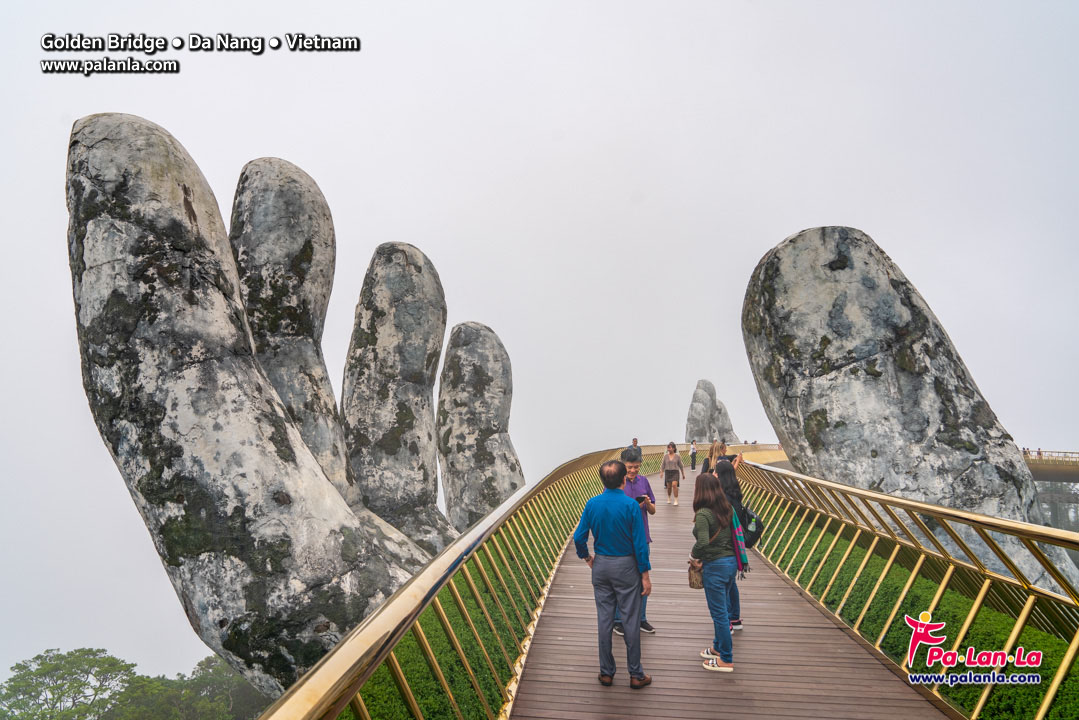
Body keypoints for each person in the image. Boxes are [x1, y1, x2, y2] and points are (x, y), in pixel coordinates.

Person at [574, 459, 653, 689]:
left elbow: (579, 537)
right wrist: (645, 575)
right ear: (622, 480)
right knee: (630, 619)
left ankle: (606, 672)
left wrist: (587, 558)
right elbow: (640, 544)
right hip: (626, 567)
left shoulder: (592, 504)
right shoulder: (630, 506)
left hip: (601, 566)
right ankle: (636, 674)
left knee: (604, 619)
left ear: (603, 481)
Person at [689, 470, 748, 672]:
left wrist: (692, 556)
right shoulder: (726, 507)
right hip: (731, 563)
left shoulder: (704, 514)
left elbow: (703, 543)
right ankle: (718, 647)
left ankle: (726, 659)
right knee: (722, 608)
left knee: (719, 614)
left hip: (715, 566)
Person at [614, 447, 656, 635]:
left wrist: (646, 504)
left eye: (636, 467)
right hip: (622, 539)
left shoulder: (644, 481)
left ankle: (641, 618)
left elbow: (653, 510)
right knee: (620, 581)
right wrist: (632, 507)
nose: (633, 471)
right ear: (622, 465)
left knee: (643, 578)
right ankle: (618, 620)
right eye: (630, 467)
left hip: (642, 537)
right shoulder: (614, 484)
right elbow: (612, 512)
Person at [714, 460, 746, 632]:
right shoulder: (735, 494)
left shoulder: (723, 498)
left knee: (723, 585)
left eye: (716, 472)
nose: (713, 474)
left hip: (724, 546)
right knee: (731, 583)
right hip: (735, 545)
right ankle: (735, 618)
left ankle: (727, 621)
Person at [662, 441, 686, 506]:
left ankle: (676, 499)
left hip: (675, 472)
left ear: (674, 448)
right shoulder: (665, 456)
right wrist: (661, 472)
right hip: (667, 472)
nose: (668, 449)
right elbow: (663, 465)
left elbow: (681, 465)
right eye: (668, 448)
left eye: (670, 448)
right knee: (669, 487)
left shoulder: (677, 456)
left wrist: (683, 474)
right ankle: (669, 498)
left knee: (674, 485)